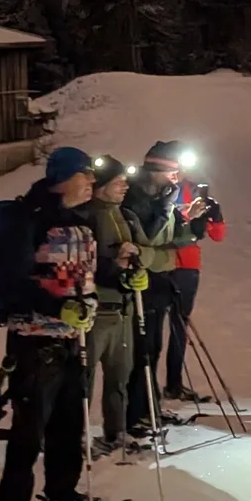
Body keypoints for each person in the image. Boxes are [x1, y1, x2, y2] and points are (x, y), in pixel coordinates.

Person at [0, 145, 99, 501]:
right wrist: (58, 308)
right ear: (65, 178)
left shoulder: (80, 220)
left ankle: (61, 490)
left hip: (72, 337)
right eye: (86, 175)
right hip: (33, 340)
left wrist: (114, 281)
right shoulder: (27, 219)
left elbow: (82, 277)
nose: (91, 183)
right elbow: (12, 283)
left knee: (69, 419)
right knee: (29, 427)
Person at [124, 140, 202, 435]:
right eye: (173, 171)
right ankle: (134, 415)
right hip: (140, 286)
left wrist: (188, 223)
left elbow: (175, 238)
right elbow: (150, 240)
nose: (177, 177)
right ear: (157, 169)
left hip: (159, 284)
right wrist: (164, 248)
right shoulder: (136, 199)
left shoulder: (162, 196)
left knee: (153, 348)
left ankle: (150, 408)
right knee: (141, 351)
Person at [83, 155, 151, 455]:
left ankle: (116, 432)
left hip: (123, 309)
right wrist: (117, 265)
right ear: (101, 186)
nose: (125, 186)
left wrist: (137, 266)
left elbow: (146, 251)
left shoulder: (124, 214)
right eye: (117, 182)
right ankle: (78, 436)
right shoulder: (88, 215)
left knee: (119, 377)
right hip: (97, 310)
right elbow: (86, 263)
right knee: (83, 380)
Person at [162, 155, 225, 405]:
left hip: (187, 266)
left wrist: (216, 216)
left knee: (179, 326)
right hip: (160, 264)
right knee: (150, 331)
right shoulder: (157, 192)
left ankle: (174, 384)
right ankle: (141, 391)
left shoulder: (194, 191)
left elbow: (217, 235)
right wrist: (187, 215)